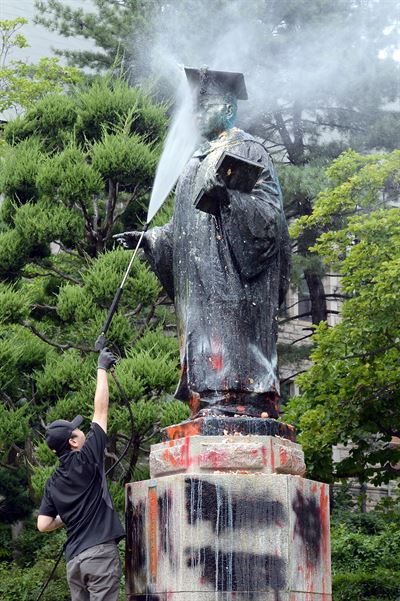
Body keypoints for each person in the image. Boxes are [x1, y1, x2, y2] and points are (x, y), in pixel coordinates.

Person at [114, 67, 290, 420]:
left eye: (204, 105)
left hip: (234, 283)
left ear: (227, 108)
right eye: (193, 108)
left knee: (231, 346)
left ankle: (240, 402)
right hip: (200, 285)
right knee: (203, 344)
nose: (195, 115)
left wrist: (228, 198)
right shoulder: (194, 160)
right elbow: (185, 228)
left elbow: (271, 220)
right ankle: (207, 402)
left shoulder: (248, 151)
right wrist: (152, 239)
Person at [37, 348, 125, 601]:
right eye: (76, 431)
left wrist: (67, 517)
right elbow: (100, 411)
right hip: (99, 557)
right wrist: (101, 368)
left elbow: (43, 525)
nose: (82, 432)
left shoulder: (52, 482)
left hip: (74, 562)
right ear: (73, 442)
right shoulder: (87, 458)